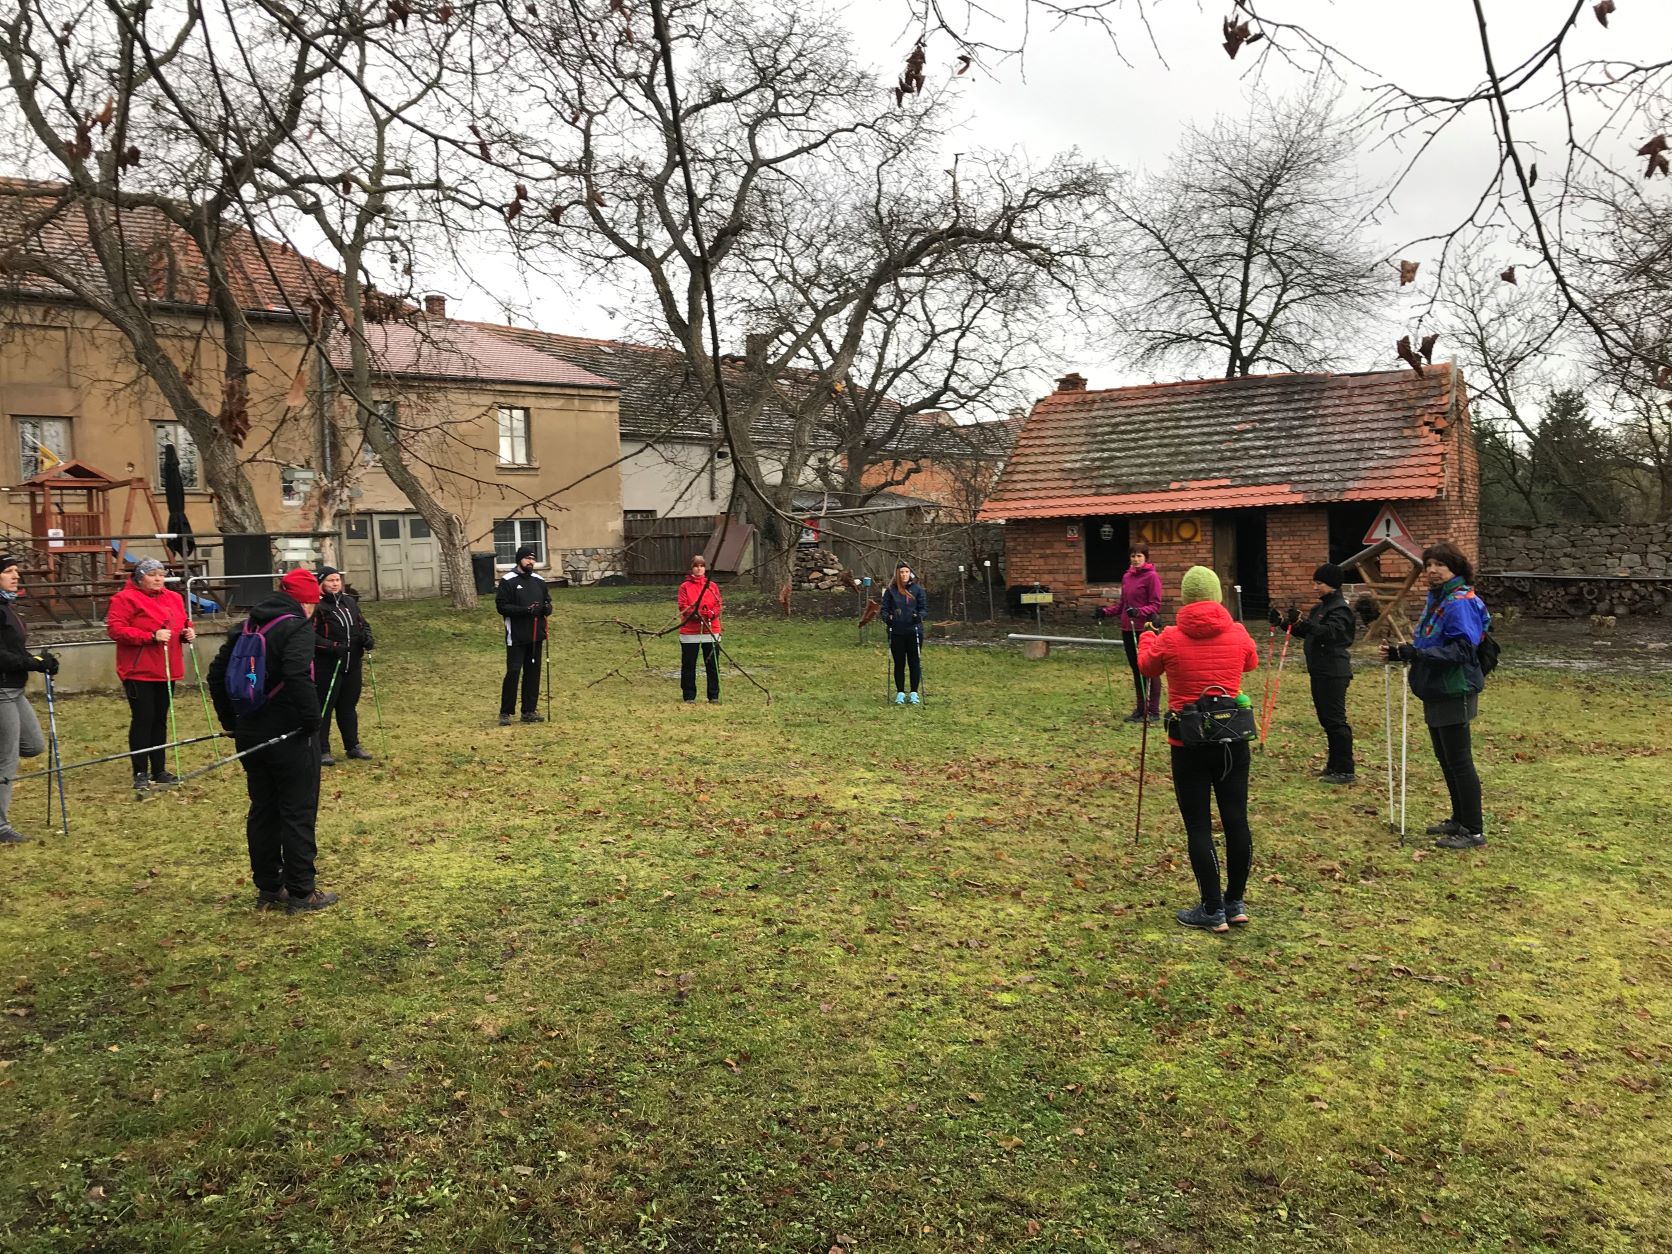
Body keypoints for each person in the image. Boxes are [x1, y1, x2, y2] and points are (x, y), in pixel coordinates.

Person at [1138, 565, 1259, 933]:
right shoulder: (1238, 632)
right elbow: (1250, 662)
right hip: (1232, 739)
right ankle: (1234, 901)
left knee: (1198, 825)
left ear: (1186, 597)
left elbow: (1147, 667)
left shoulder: (1171, 636)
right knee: (1236, 818)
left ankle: (1211, 907)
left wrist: (1146, 637)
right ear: (1218, 597)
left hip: (1188, 742)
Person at [207, 567, 334, 912]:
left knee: (263, 810)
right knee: (297, 811)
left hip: (249, 733)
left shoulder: (246, 626)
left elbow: (216, 675)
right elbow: (297, 674)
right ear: (307, 600)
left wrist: (231, 721)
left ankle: (268, 886)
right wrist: (313, 722)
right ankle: (301, 892)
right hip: (290, 734)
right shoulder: (297, 628)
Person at [1381, 540, 1491, 850]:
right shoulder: (1438, 599)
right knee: (1446, 758)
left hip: (1455, 687)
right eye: (1428, 565)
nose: (1432, 571)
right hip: (1437, 686)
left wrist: (1416, 653)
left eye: (1439, 565)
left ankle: (1473, 829)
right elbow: (1430, 643)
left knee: (1459, 760)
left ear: (1455, 568)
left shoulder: (1458, 601)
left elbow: (1462, 649)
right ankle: (1459, 818)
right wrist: (1401, 653)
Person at [105, 557, 195, 790]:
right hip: (139, 669)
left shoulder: (174, 597)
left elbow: (181, 622)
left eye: (161, 574)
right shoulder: (124, 599)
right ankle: (140, 771)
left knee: (160, 719)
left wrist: (187, 633)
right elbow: (116, 630)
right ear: (139, 577)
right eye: (152, 574)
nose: (158, 579)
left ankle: (159, 769)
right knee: (144, 719)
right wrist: (150, 636)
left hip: (167, 668)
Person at [1275, 562, 1360, 784]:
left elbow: (1328, 633)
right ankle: (1333, 766)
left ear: (1331, 584)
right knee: (1326, 720)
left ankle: (1346, 769)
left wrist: (1302, 621)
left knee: (1335, 721)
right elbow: (1308, 632)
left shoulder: (1340, 610)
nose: (1315, 587)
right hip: (1319, 671)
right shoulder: (1320, 608)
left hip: (1334, 671)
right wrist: (1286, 623)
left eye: (1319, 583)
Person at [0, 555, 54, 844]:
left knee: (33, 745)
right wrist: (32, 663)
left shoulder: (8, 607)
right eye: (8, 571)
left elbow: (17, 652)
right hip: (1, 691)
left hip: (15, 689)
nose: (15, 575)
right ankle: (0, 826)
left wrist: (39, 659)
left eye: (17, 571)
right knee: (6, 760)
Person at [312, 566, 375, 765]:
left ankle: (353, 745)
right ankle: (322, 749)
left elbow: (362, 623)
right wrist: (331, 646)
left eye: (337, 580)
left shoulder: (349, 602)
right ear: (321, 583)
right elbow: (309, 635)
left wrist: (367, 637)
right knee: (325, 708)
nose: (335, 584)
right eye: (330, 580)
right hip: (328, 665)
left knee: (348, 707)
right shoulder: (317, 606)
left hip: (352, 663)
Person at [496, 545, 552, 725]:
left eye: (533, 559)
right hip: (517, 636)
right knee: (513, 672)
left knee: (533, 672)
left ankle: (528, 711)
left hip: (536, 635)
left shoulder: (539, 580)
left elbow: (548, 602)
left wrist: (546, 608)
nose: (531, 562)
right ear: (519, 559)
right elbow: (502, 607)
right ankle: (506, 712)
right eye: (527, 558)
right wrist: (525, 610)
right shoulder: (508, 580)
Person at [1107, 545, 1163, 723]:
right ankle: (1141, 709)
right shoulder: (1127, 576)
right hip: (1127, 628)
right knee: (1136, 669)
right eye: (1133, 556)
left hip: (1145, 628)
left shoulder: (1151, 577)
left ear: (1145, 557)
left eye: (1139, 556)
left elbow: (1155, 605)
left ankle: (1153, 711)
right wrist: (1105, 611)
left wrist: (1139, 611)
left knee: (1150, 669)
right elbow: (1122, 605)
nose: (1136, 559)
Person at [677, 554, 723, 703]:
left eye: (702, 566)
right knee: (689, 664)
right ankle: (689, 695)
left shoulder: (712, 585)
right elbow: (683, 605)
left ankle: (713, 695)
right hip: (690, 631)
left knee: (712, 664)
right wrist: (695, 614)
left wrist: (711, 613)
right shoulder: (685, 587)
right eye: (696, 566)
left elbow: (718, 604)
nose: (699, 569)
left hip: (711, 629)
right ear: (692, 568)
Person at [881, 561, 927, 705]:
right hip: (896, 632)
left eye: (906, 572)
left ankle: (914, 692)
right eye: (901, 572)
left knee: (914, 662)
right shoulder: (891, 590)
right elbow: (884, 609)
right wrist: (888, 619)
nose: (904, 575)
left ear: (910, 573)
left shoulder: (917, 590)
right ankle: (900, 692)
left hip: (914, 631)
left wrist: (919, 617)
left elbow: (924, 608)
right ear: (897, 574)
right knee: (899, 663)